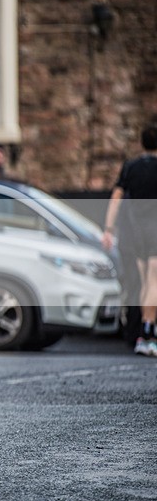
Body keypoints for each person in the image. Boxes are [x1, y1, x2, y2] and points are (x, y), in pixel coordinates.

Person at [102, 123, 157, 357]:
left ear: (141, 143)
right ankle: (148, 333)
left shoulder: (130, 167)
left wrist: (108, 229)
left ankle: (142, 333)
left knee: (145, 281)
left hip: (137, 231)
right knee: (154, 280)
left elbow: (116, 198)